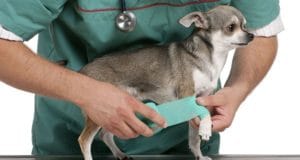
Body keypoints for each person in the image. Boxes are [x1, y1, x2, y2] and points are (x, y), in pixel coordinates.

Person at [0, 0, 283, 156]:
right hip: (70, 143)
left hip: (185, 146)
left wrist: (238, 88)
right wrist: (86, 91)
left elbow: (261, 32)